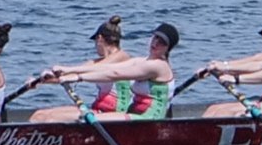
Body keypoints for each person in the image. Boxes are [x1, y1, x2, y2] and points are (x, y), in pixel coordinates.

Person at [45, 23, 180, 121]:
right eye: (155, 37)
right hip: (135, 115)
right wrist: (68, 70)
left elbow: (115, 74)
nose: (156, 43)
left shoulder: (158, 66)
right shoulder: (142, 61)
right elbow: (107, 68)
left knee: (86, 120)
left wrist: (78, 78)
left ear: (168, 48)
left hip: (149, 120)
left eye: (162, 42)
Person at [29, 16, 133, 123]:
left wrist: (66, 70)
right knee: (39, 115)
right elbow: (72, 75)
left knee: (49, 119)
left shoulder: (122, 56)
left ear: (99, 38)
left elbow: (97, 69)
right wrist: (41, 80)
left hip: (115, 114)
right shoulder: (97, 62)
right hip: (99, 109)